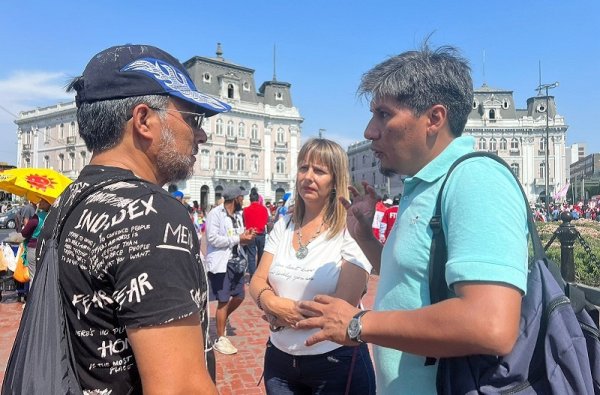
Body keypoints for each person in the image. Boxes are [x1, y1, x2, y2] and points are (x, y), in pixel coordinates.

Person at [296, 44, 528, 395]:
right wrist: (367, 240)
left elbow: (490, 324)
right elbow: (413, 282)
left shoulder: (475, 180)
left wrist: (359, 323)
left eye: (384, 115)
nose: (369, 131)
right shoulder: (420, 183)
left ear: (434, 118)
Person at [36, 44, 231, 394]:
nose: (201, 135)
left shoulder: (67, 202)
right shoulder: (151, 214)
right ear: (143, 120)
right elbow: (181, 387)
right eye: (192, 118)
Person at [249, 138, 376, 394]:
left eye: (319, 171)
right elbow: (257, 280)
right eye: (303, 168)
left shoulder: (350, 229)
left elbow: (343, 304)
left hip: (333, 361)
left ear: (334, 180)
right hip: (280, 361)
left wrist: (282, 316)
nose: (308, 177)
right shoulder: (284, 224)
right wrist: (270, 303)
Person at [205, 185, 255, 355]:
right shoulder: (215, 214)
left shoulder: (238, 215)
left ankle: (223, 318)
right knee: (223, 300)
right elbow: (212, 239)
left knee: (240, 296)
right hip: (222, 263)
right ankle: (220, 338)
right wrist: (237, 238)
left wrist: (246, 237)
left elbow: (238, 237)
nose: (244, 200)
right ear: (235, 199)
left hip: (238, 262)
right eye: (242, 197)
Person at [20, 198, 51, 280]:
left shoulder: (37, 217)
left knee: (33, 276)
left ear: (48, 203)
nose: (40, 202)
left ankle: (34, 292)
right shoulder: (53, 216)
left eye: (43, 200)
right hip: (48, 248)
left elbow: (25, 233)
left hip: (34, 248)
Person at [243, 190, 269, 276]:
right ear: (258, 199)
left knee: (251, 256)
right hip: (261, 233)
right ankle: (259, 273)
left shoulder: (246, 210)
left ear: (250, 199)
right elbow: (266, 221)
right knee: (261, 255)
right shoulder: (264, 209)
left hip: (251, 234)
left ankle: (252, 275)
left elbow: (244, 222)